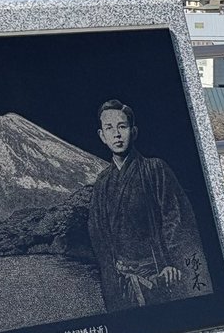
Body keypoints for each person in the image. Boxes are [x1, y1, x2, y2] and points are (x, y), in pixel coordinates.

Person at [87, 99, 211, 311]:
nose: (117, 134)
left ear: (134, 131)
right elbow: (98, 233)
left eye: (122, 127)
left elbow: (175, 219)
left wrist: (171, 263)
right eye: (109, 128)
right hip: (121, 278)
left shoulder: (155, 170)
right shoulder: (102, 183)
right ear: (102, 136)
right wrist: (110, 277)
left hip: (160, 274)